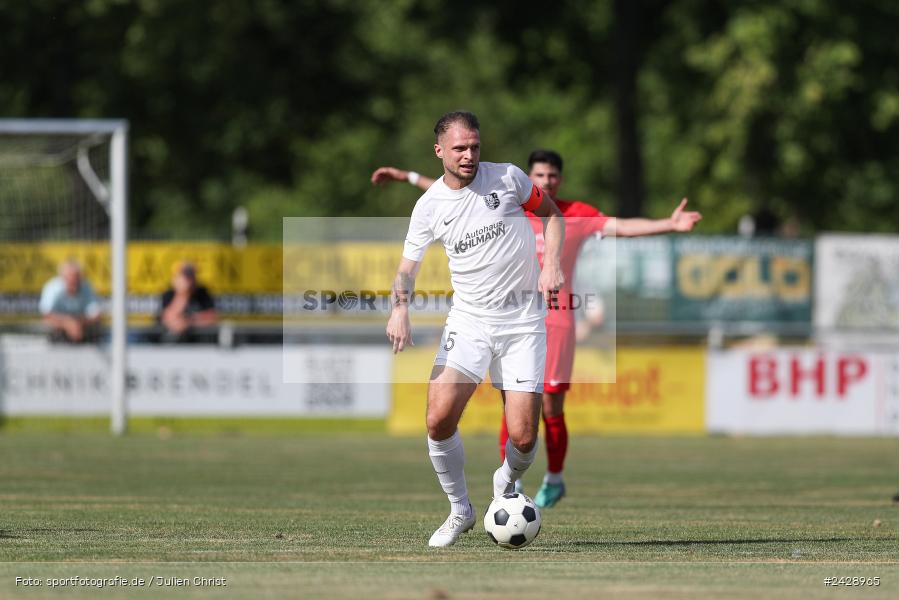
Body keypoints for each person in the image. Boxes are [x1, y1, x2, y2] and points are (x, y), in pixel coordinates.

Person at [374, 149, 701, 509]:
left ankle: (553, 478)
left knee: (549, 405)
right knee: (509, 407)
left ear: (559, 180)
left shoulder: (572, 213)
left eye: (552, 177)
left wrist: (669, 225)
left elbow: (620, 226)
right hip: (498, 319)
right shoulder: (509, 206)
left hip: (556, 318)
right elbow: (451, 191)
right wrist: (406, 177)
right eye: (540, 176)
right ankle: (507, 488)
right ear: (531, 178)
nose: (546, 182)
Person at [385, 111, 565, 547]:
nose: (469, 155)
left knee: (523, 436)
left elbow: (553, 215)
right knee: (437, 418)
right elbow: (407, 269)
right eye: (460, 148)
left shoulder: (508, 178)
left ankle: (505, 484)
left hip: (522, 322)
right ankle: (460, 509)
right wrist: (400, 310)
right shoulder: (428, 206)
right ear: (440, 151)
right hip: (469, 321)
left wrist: (551, 264)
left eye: (475, 147)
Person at [39, 258, 102, 343]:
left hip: (82, 326)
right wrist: (67, 323)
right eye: (69, 277)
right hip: (58, 328)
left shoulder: (87, 287)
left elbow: (96, 314)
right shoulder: (52, 287)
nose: (73, 281)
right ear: (62, 277)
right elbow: (47, 315)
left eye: (76, 277)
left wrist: (78, 323)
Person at [158, 261, 218, 343]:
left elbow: (212, 317)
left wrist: (188, 322)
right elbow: (168, 318)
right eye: (186, 276)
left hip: (200, 343)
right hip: (173, 343)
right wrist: (182, 294)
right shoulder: (169, 294)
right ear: (176, 277)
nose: (189, 280)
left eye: (191, 275)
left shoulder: (203, 293)